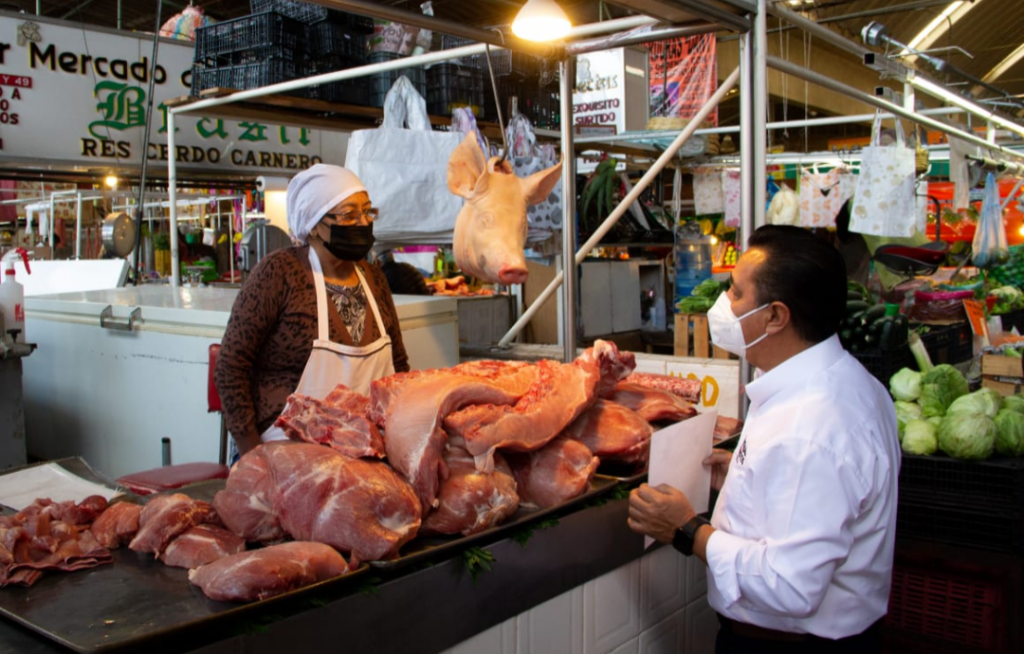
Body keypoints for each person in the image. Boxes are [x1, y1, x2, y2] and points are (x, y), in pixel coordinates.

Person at [628, 225, 899, 653]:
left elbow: (789, 585)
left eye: (735, 293)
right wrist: (744, 478)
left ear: (775, 316)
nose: (724, 305)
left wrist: (686, 529)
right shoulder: (845, 383)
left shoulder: (811, 426)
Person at [215, 164, 409, 460]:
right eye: (348, 215)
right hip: (286, 450)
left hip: (366, 447)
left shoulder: (373, 278)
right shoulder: (279, 273)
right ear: (315, 225)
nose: (362, 222)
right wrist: (251, 453)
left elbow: (398, 364)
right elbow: (231, 367)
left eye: (367, 212)